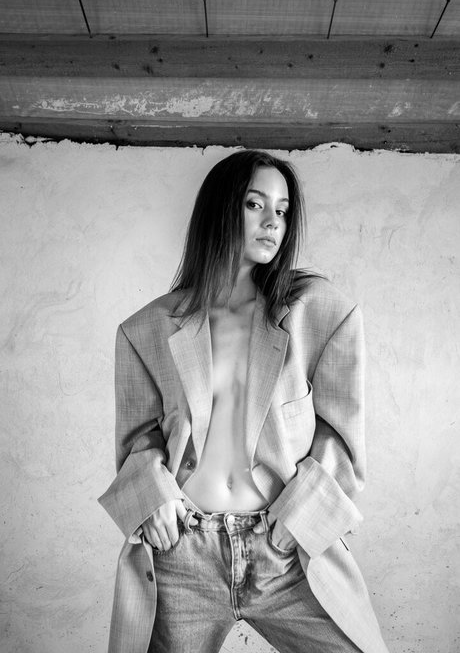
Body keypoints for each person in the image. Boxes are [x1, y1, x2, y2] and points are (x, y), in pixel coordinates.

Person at [98, 150, 389, 653]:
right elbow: (138, 439)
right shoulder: (146, 329)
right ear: (220, 210)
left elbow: (341, 433)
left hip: (285, 549)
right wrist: (152, 496)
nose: (272, 221)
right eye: (255, 204)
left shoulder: (318, 312)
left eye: (282, 210)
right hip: (183, 553)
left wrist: (301, 516)